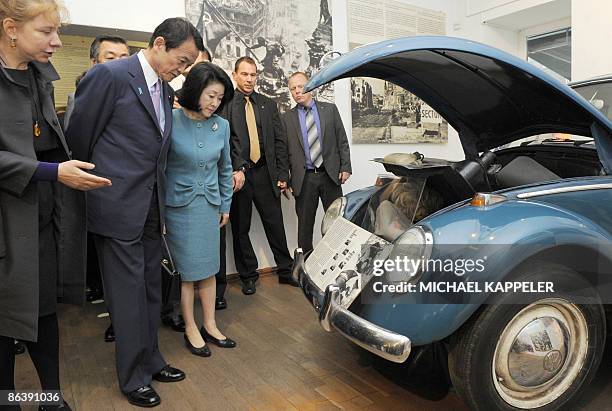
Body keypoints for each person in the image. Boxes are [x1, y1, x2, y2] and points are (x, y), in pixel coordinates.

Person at [66, 18, 202, 408]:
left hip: (149, 207)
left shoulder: (165, 88)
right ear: (159, 44)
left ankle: (152, 359)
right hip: (116, 204)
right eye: (182, 59)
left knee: (150, 290)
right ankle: (133, 376)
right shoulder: (111, 76)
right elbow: (79, 139)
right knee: (125, 296)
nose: (183, 69)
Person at [0, 1, 112, 409]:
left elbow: (47, 144)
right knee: (4, 325)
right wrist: (54, 173)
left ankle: (51, 397)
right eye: (46, 31)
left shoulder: (40, 78)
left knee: (45, 316)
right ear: (11, 29)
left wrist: (67, 171)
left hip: (39, 218)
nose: (57, 41)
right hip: (5, 226)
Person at [166, 62, 236, 357]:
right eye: (211, 96)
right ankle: (190, 327)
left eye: (220, 98)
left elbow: (225, 169)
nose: (215, 103)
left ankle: (210, 324)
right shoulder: (170, 120)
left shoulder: (222, 126)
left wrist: (225, 204)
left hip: (209, 206)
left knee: (209, 267)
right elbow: (159, 168)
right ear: (195, 90)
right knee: (188, 271)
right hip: (179, 207)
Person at [223, 56, 297, 295]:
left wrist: (283, 172)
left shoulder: (268, 104)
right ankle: (248, 276)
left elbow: (279, 141)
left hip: (266, 172)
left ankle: (286, 270)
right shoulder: (225, 105)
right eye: (244, 74)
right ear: (235, 75)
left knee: (275, 224)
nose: (249, 79)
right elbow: (225, 143)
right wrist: (236, 169)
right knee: (240, 228)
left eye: (253, 74)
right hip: (239, 176)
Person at [283, 71, 352, 254]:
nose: (297, 92)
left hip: (330, 174)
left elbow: (341, 140)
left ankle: (337, 258)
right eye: (293, 89)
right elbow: (283, 152)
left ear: (311, 86)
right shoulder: (286, 118)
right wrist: (287, 179)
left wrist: (345, 166)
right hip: (304, 179)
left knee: (336, 221)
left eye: (300, 86)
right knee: (305, 225)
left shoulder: (330, 110)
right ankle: (306, 263)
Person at [64, 35, 129, 130]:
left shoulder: (137, 95)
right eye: (110, 58)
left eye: (124, 58)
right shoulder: (78, 99)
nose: (119, 63)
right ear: (94, 62)